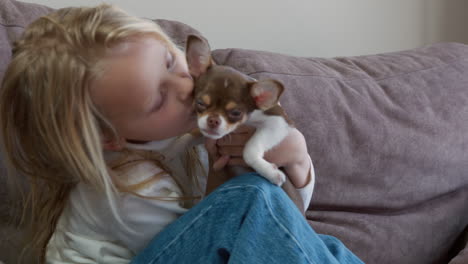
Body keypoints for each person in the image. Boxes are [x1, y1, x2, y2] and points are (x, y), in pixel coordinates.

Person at [0, 4, 363, 264]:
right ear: (110, 139)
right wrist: (234, 174)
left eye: (171, 61)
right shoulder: (125, 189)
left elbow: (281, 229)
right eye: (159, 98)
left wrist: (296, 161)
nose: (186, 86)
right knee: (248, 201)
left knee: (313, 239)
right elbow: (226, 233)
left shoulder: (199, 120)